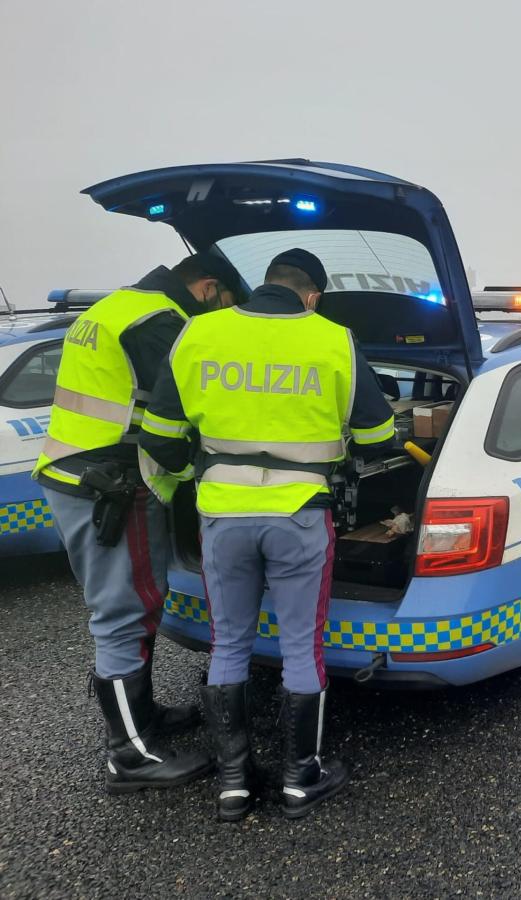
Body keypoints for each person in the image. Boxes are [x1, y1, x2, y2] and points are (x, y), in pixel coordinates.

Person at [139, 248, 396, 821]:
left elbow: (157, 436)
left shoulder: (199, 335)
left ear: (264, 285)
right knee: (300, 646)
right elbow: (379, 435)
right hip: (300, 514)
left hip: (222, 516)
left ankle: (233, 783)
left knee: (229, 642)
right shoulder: (333, 338)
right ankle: (300, 779)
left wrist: (198, 475)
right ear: (312, 296)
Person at [32, 253, 241, 794]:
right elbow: (190, 406)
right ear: (209, 288)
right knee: (123, 611)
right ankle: (130, 756)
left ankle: (144, 720)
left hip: (77, 473)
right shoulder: (158, 322)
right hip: (111, 485)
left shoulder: (116, 306)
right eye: (225, 308)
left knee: (132, 603)